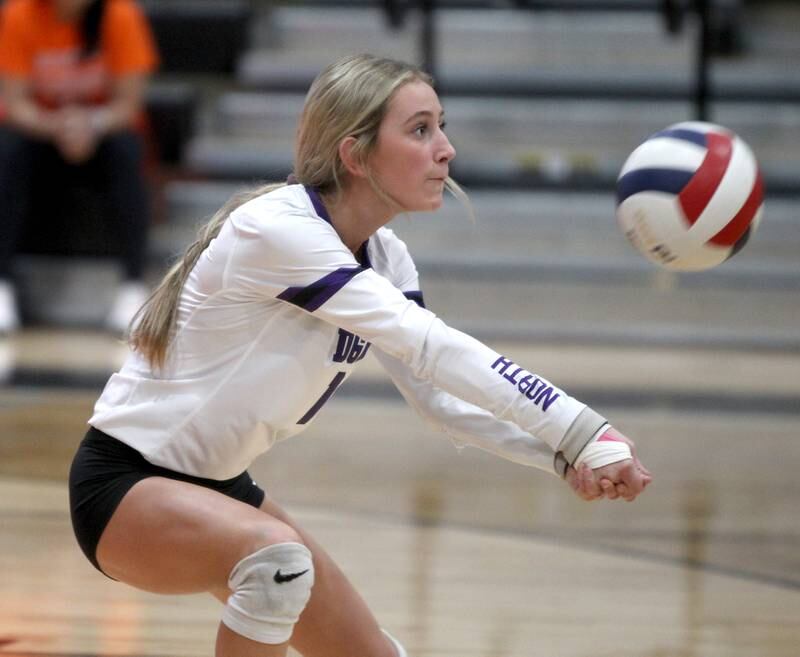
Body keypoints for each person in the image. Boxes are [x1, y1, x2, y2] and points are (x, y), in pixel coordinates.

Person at [68, 54, 652, 657]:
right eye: (421, 129)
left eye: (441, 126)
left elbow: (440, 403)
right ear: (355, 154)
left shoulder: (388, 258)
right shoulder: (276, 229)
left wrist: (560, 456)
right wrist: (584, 428)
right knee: (277, 564)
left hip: (219, 489)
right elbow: (433, 347)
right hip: (125, 484)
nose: (446, 149)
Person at [0, 0, 159, 333]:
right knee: (8, 148)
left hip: (101, 134)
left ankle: (132, 284)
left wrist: (91, 124)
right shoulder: (19, 15)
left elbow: (128, 105)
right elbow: (14, 103)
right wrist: (57, 126)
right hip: (41, 133)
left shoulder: (121, 15)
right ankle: (2, 285)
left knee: (128, 149)